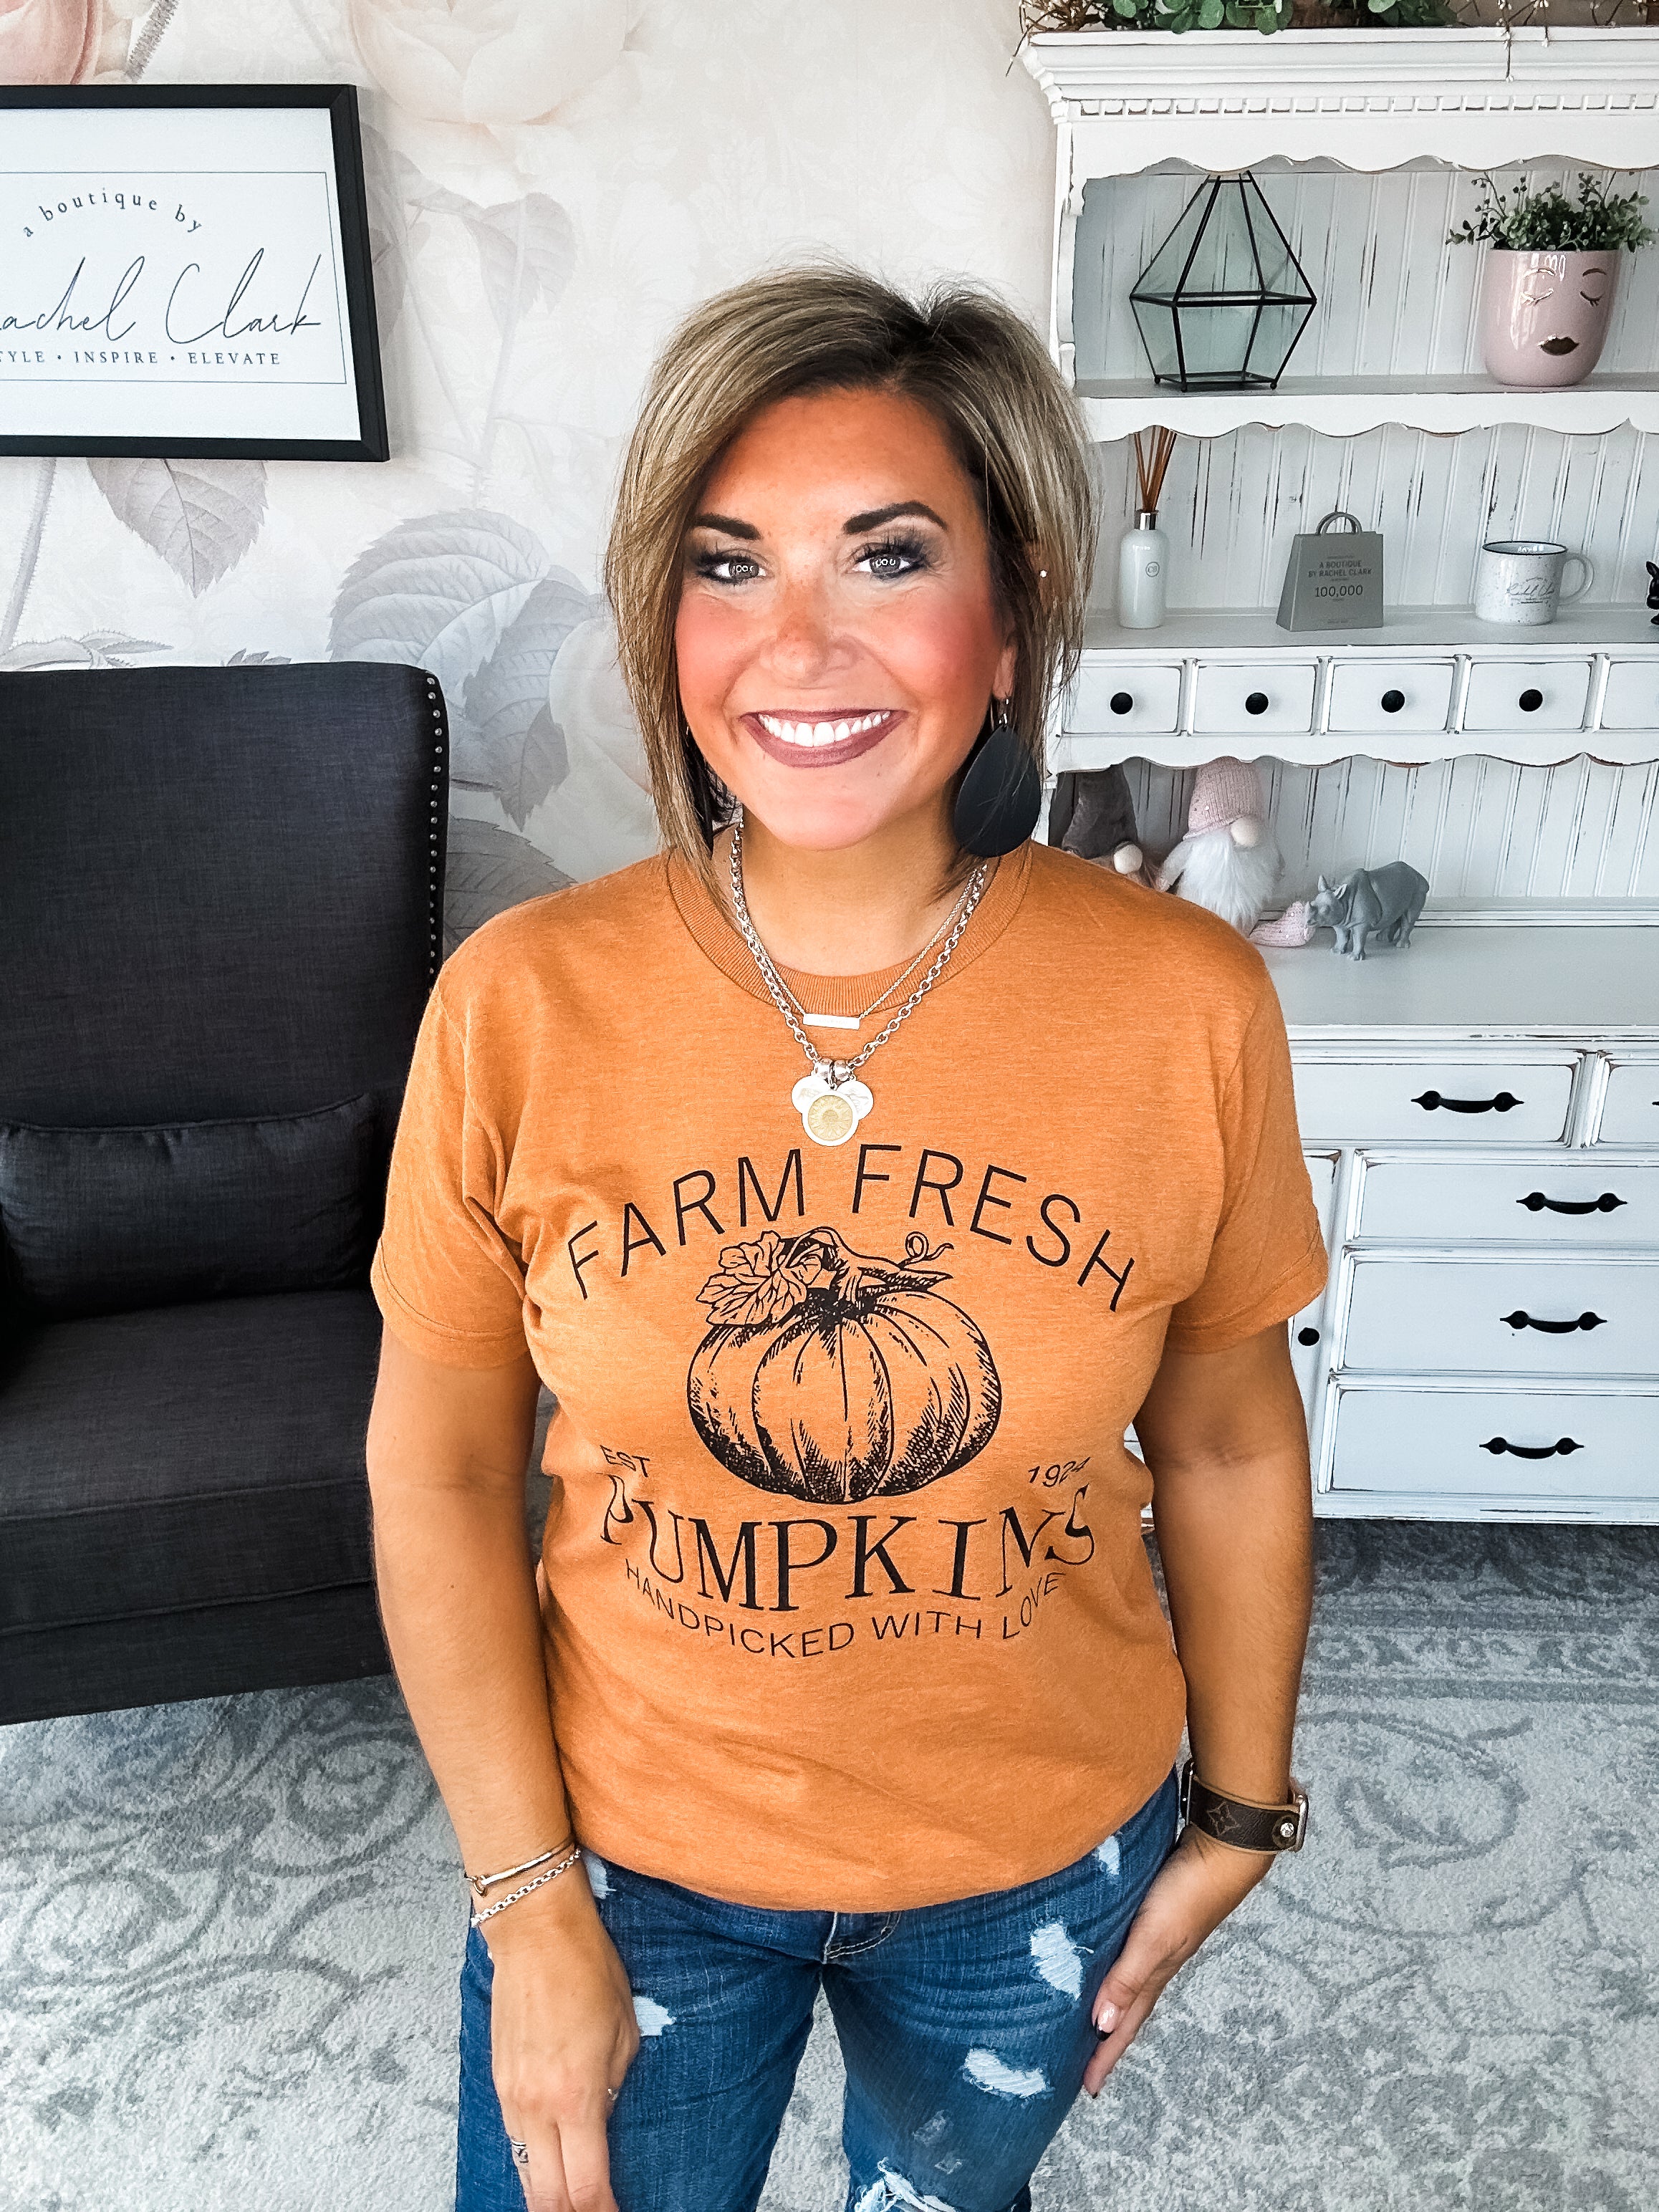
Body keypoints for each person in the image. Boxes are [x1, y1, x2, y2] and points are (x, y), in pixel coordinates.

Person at [364, 265, 1327, 2212]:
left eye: (885, 557)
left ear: (1014, 600)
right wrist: (526, 1902)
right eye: (727, 567)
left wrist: (1236, 1804)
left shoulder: (1181, 1001)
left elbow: (1224, 1437)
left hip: (1036, 1861)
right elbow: (440, 1468)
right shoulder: (519, 1003)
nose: (792, 647)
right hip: (630, 1863)